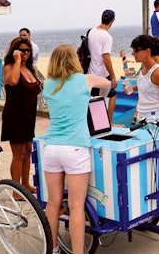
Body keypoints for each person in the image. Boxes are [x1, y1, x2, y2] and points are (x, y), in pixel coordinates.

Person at [42, 44, 111, 254]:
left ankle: (52, 248)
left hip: (52, 148)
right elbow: (108, 84)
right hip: (75, 149)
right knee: (76, 206)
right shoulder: (85, 80)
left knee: (53, 204)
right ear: (75, 60)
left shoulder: (47, 84)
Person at [1, 37, 41, 193]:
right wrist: (17, 61)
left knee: (28, 150)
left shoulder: (30, 69)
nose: (25, 53)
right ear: (14, 51)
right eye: (21, 50)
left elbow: (36, 88)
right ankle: (16, 189)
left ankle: (25, 184)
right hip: (15, 115)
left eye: (28, 50)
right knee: (18, 153)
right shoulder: (9, 67)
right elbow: (13, 81)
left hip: (28, 115)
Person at [124, 35, 159, 130]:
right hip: (142, 119)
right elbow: (145, 84)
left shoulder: (158, 73)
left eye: (136, 50)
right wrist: (131, 89)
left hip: (155, 121)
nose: (133, 53)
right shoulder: (144, 69)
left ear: (147, 51)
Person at [88, 9, 117, 125]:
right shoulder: (107, 37)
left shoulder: (91, 32)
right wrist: (113, 76)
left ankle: (99, 124)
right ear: (112, 21)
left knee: (95, 99)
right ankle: (107, 123)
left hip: (91, 72)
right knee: (112, 95)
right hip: (102, 74)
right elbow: (106, 57)